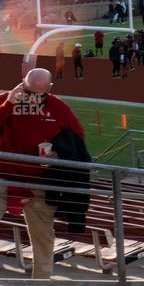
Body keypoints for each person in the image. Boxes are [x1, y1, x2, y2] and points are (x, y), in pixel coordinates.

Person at [0, 68, 87, 280]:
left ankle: (41, 281)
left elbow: (77, 137)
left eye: (39, 95)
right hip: (3, 176)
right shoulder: (6, 100)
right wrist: (9, 104)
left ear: (49, 89)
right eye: (29, 92)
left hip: (38, 181)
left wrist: (59, 152)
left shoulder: (58, 107)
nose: (33, 98)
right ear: (22, 83)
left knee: (43, 237)